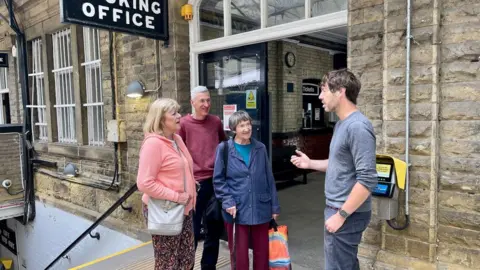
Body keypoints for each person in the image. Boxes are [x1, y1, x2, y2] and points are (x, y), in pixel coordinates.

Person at [291, 69, 378, 270]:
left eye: (323, 90)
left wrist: (341, 215)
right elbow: (338, 164)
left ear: (340, 91)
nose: (320, 96)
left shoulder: (357, 127)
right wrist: (310, 163)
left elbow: (367, 179)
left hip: (346, 213)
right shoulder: (341, 125)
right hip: (338, 209)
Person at [213, 110, 280, 270]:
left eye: (248, 124)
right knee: (239, 255)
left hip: (261, 207)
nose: (246, 128)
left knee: (262, 253)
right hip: (236, 209)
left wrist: (274, 206)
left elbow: (268, 178)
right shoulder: (224, 149)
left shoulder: (260, 148)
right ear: (233, 129)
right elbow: (218, 180)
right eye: (241, 125)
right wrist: (227, 201)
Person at [137, 98, 197, 270]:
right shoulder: (153, 144)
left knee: (186, 260)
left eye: (178, 111)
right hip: (164, 210)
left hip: (183, 209)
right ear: (161, 119)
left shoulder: (176, 139)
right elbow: (144, 183)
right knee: (167, 263)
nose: (179, 116)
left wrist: (192, 185)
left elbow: (180, 169)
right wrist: (178, 196)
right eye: (174, 113)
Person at [178, 86, 227, 270]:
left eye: (208, 100)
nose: (206, 104)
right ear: (192, 103)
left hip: (215, 183)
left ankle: (209, 267)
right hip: (194, 186)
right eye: (202, 101)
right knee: (192, 232)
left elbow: (224, 144)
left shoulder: (215, 122)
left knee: (213, 231)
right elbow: (178, 153)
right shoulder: (183, 124)